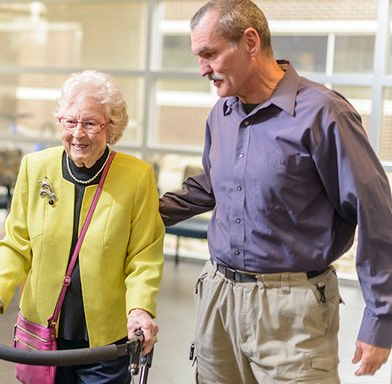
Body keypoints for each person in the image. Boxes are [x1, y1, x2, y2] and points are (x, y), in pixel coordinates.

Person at [159, 0, 392, 382]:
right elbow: (216, 181)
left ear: (250, 42)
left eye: (209, 54)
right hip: (218, 299)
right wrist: (144, 212)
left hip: (292, 312)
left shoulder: (324, 113)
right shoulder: (222, 114)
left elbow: (374, 212)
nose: (202, 69)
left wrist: (381, 317)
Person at [0, 70, 165, 383]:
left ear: (111, 127)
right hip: (42, 334)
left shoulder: (136, 177)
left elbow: (144, 257)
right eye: (70, 122)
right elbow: (16, 244)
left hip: (105, 341)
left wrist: (140, 308)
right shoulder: (35, 167)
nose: (78, 134)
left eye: (90, 123)